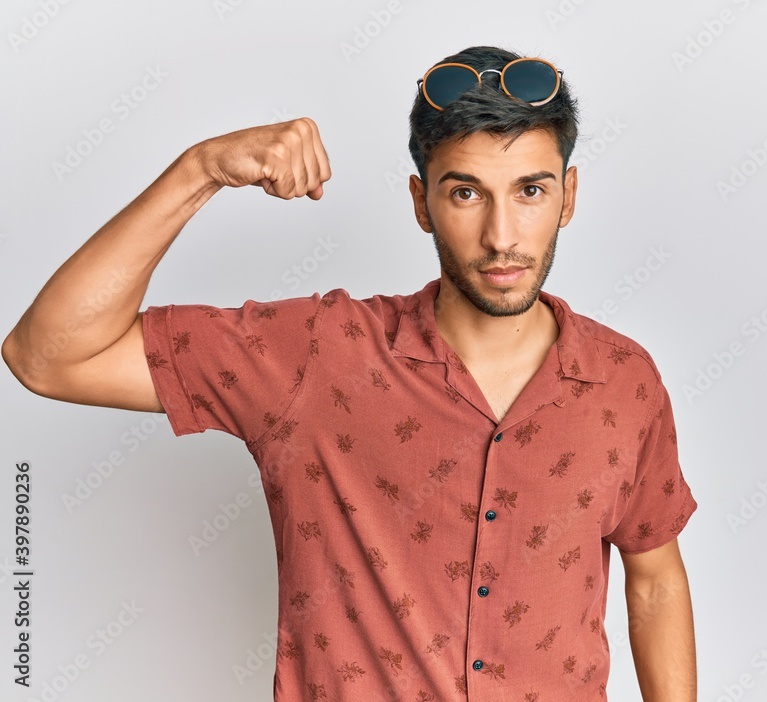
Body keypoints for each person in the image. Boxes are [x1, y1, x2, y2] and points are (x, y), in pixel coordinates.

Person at [3, 45, 697, 701]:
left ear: (567, 197)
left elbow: (655, 579)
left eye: (530, 191)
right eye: (466, 193)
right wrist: (200, 169)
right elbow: (47, 356)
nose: (502, 235)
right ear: (421, 203)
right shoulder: (316, 354)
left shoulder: (624, 381)